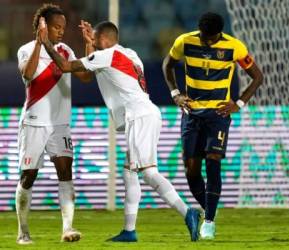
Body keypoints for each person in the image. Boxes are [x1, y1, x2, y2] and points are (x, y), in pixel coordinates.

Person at [38, 20, 201, 242]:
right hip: (146, 113)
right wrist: (90, 44)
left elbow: (68, 67)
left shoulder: (108, 56)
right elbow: (94, 68)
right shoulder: (130, 54)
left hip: (140, 117)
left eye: (95, 39)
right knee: (129, 172)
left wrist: (46, 42)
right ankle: (129, 230)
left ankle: (187, 212)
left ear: (104, 39)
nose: (92, 42)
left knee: (149, 172)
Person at [162, 12, 263, 239]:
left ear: (219, 33)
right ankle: (210, 211)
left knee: (213, 161)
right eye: (204, 37)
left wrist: (238, 103)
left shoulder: (234, 46)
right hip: (191, 113)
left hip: (218, 114)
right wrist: (176, 94)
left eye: (211, 38)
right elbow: (167, 65)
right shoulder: (185, 41)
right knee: (191, 171)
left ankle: (208, 222)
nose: (206, 41)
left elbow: (257, 76)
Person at [15, 3, 93, 244]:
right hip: (34, 122)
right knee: (28, 176)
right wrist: (40, 43)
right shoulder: (26, 50)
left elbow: (86, 76)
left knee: (65, 172)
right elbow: (28, 74)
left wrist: (89, 44)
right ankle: (23, 232)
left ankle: (67, 229)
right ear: (43, 26)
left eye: (63, 27)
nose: (61, 31)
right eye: (56, 27)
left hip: (60, 124)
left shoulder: (66, 51)